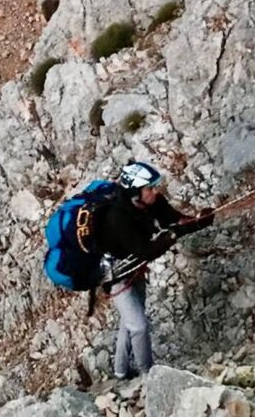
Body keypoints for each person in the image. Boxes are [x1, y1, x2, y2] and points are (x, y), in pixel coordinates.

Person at [91, 161, 214, 379]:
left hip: (133, 269)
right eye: (150, 188)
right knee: (138, 325)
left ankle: (120, 372)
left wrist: (198, 222)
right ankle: (149, 376)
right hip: (114, 275)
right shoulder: (117, 217)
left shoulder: (151, 202)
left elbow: (175, 221)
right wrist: (171, 236)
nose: (156, 192)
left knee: (130, 320)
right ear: (136, 192)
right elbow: (145, 250)